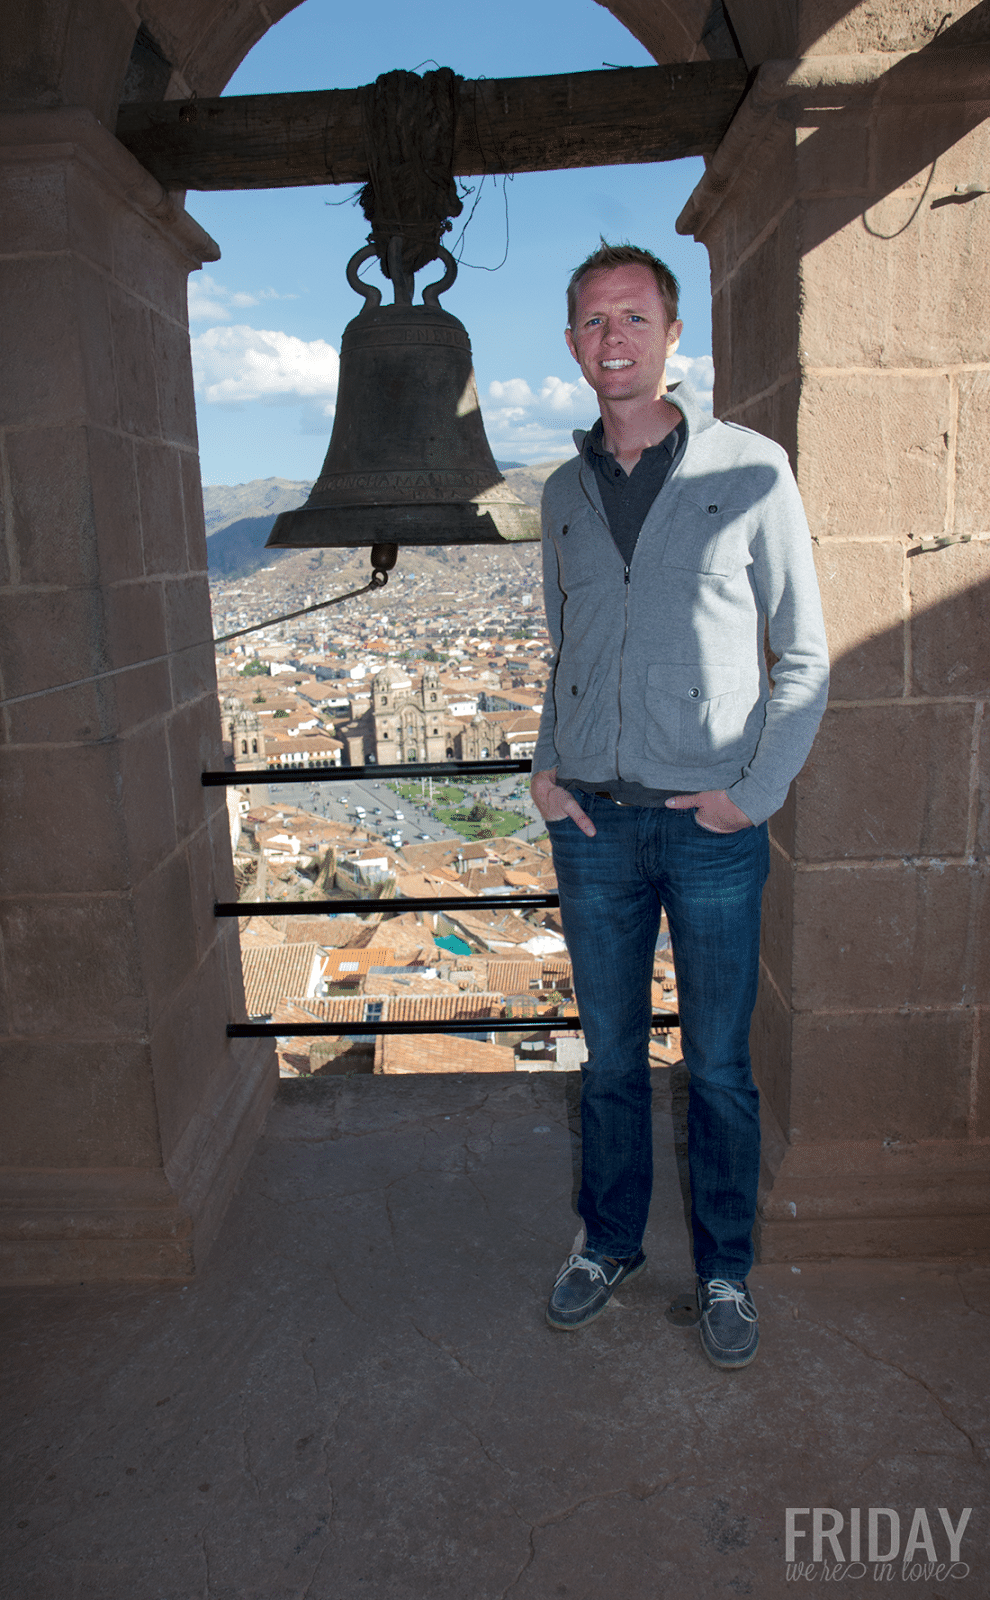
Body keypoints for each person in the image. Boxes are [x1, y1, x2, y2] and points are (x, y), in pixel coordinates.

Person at [530, 242, 829, 1369]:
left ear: (671, 334)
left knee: (716, 1068)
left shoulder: (752, 468)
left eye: (634, 317)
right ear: (572, 345)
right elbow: (569, 647)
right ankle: (608, 1244)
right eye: (593, 320)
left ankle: (725, 1268)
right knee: (608, 1061)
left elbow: (803, 654)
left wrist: (751, 797)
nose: (614, 338)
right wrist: (549, 768)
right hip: (594, 826)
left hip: (710, 831)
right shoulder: (560, 491)